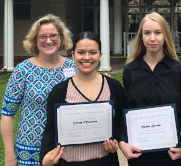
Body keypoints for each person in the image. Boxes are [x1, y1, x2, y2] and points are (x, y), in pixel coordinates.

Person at [39, 31, 126, 166]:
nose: (87, 57)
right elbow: (50, 128)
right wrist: (44, 158)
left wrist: (116, 142)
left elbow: (121, 122)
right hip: (68, 162)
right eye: (81, 52)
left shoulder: (114, 87)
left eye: (93, 52)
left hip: (105, 161)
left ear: (100, 55)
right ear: (73, 55)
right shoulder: (60, 91)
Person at [1, 14, 77, 166]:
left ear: (61, 38)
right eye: (42, 36)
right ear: (35, 40)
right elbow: (7, 115)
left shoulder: (73, 67)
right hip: (29, 150)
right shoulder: (23, 71)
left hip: (66, 148)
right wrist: (9, 153)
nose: (48, 40)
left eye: (53, 35)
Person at [119, 12, 181, 166]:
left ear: (165, 35)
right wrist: (122, 142)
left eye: (158, 32)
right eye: (147, 33)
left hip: (171, 153)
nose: (152, 38)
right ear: (141, 37)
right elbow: (125, 109)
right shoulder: (130, 70)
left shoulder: (178, 70)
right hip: (139, 152)